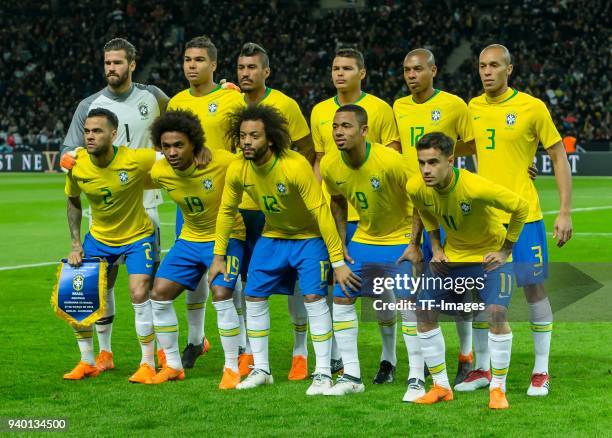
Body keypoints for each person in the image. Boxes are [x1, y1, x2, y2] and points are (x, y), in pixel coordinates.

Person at [208, 105, 360, 395]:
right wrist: (218, 256)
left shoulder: (294, 165)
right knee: (253, 296)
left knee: (314, 298)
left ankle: (323, 372)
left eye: (254, 136)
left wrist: (337, 261)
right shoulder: (239, 167)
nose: (247, 142)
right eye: (243, 136)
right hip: (273, 236)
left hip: (308, 238)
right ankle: (262, 369)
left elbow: (320, 211)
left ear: (270, 139)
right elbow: (227, 211)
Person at [459, 44, 573, 396]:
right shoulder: (472, 108)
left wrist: (565, 211)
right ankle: (480, 367)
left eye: (494, 65)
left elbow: (557, 154)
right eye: (482, 65)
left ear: (510, 69)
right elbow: (462, 148)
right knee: (479, 293)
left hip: (525, 217)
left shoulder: (531, 107)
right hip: (484, 220)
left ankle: (541, 371)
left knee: (534, 288)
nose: (487, 71)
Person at [61, 38, 168, 371]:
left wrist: (223, 92)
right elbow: (70, 152)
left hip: (146, 207)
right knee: (101, 285)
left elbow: (186, 115)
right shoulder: (89, 106)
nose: (111, 68)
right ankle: (104, 354)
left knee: (144, 288)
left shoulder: (153, 96)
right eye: (107, 63)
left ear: (132, 64)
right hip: (103, 210)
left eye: (118, 63)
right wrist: (68, 158)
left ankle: (159, 353)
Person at [407, 132, 528, 409]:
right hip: (453, 259)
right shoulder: (416, 187)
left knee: (496, 314)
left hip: (489, 259)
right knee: (423, 312)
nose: (426, 170)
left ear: (451, 161)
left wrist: (505, 250)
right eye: (422, 163)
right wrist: (436, 247)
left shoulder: (474, 187)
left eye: (433, 162)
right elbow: (425, 211)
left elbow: (521, 207)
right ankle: (441, 386)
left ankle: (498, 389)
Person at [310, 47, 401, 383]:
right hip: (339, 210)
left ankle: (388, 357)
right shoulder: (319, 110)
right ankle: (338, 360)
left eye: (347, 68)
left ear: (361, 73)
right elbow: (322, 160)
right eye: (335, 67)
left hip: (374, 214)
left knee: (381, 290)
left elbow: (390, 156)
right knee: (337, 282)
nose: (339, 73)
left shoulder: (379, 108)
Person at [320, 105, 420, 398]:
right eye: (336, 126)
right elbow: (337, 201)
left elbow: (421, 198)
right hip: (364, 239)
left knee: (407, 305)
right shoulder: (329, 165)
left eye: (347, 126)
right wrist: (340, 244)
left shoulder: (391, 161)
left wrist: (414, 244)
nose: (339, 132)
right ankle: (351, 374)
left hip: (400, 237)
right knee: (341, 297)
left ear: (364, 131)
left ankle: (416, 376)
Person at [393, 48, 476, 387]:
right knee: (416, 288)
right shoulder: (398, 107)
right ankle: (427, 361)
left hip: (449, 207)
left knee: (458, 289)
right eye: (406, 70)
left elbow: (474, 150)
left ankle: (467, 355)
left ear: (433, 70)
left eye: (417, 69)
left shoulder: (456, 105)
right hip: (413, 207)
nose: (411, 75)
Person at [145, 110, 246, 389]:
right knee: (159, 295)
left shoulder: (221, 161)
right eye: (166, 146)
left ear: (194, 144)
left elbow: (254, 162)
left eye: (179, 145)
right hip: (189, 240)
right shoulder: (160, 171)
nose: (172, 152)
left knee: (222, 293)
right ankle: (174, 365)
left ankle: (231, 367)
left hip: (227, 237)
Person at [166, 35, 245, 370]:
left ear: (214, 64)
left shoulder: (230, 100)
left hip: (228, 199)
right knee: (194, 276)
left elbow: (245, 143)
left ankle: (241, 347)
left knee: (230, 277)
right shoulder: (176, 102)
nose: (192, 66)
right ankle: (196, 341)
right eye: (187, 60)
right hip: (190, 204)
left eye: (199, 60)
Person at [237, 42, 314, 380]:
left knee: (296, 280)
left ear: (266, 71)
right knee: (244, 282)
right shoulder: (229, 102)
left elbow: (308, 147)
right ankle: (249, 352)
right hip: (244, 208)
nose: (245, 73)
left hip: (281, 208)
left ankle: (300, 352)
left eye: (252, 67)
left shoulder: (285, 105)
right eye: (241, 68)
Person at [63, 108, 158, 383]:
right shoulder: (77, 164)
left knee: (139, 293)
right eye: (87, 131)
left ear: (113, 134)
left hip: (137, 237)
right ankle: (90, 360)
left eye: (98, 131)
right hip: (100, 239)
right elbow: (72, 200)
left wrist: (200, 153)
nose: (90, 136)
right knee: (78, 294)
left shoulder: (136, 159)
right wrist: (75, 243)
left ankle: (148, 363)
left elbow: (176, 157)